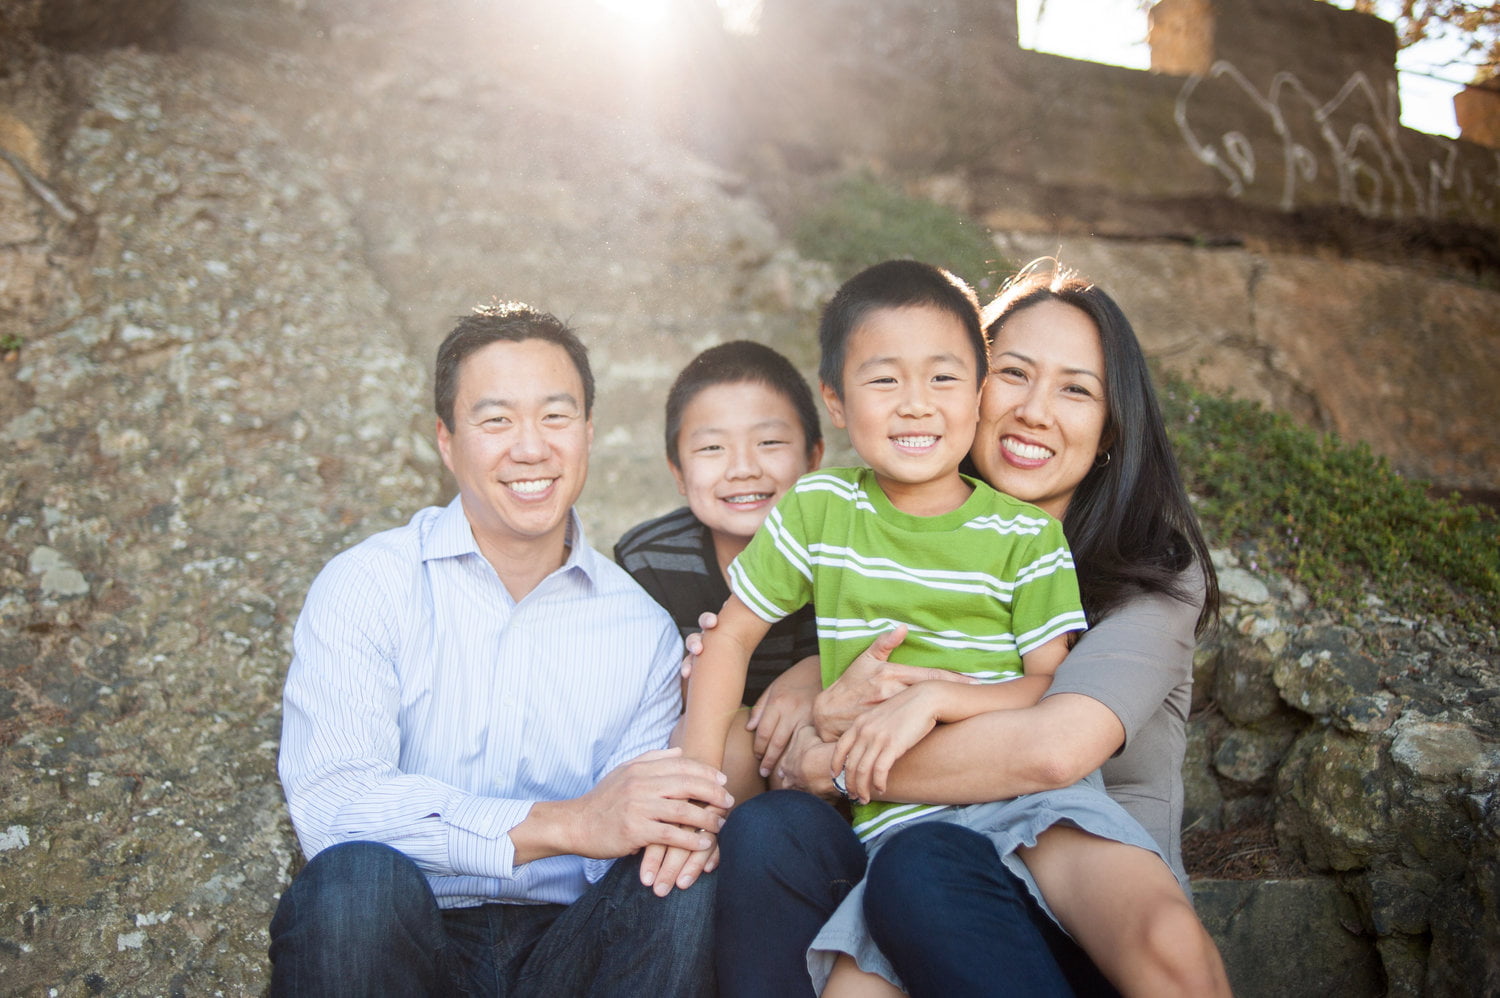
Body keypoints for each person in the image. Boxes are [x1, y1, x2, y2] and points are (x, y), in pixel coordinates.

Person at [670, 260, 1220, 996]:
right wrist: (813, 687)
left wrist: (839, 753)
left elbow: (1052, 742)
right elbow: (778, 655)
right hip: (906, 857)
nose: (1033, 410)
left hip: (1060, 860)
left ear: (1112, 426)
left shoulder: (1147, 571)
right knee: (790, 838)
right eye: (1015, 374)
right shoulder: (867, 525)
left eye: (1076, 389)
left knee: (922, 866)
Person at [268, 302, 729, 996]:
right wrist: (566, 822)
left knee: (681, 880)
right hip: (406, 937)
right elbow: (335, 805)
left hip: (570, 951)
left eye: (555, 416)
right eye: (495, 420)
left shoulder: (640, 630)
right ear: (447, 441)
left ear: (588, 433)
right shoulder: (370, 585)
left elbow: (633, 842)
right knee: (355, 883)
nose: (531, 447)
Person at [614, 341, 826, 800]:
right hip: (720, 768)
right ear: (677, 471)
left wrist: (820, 674)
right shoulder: (650, 561)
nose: (744, 469)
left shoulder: (847, 550)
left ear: (814, 456)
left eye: (769, 442)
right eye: (712, 447)